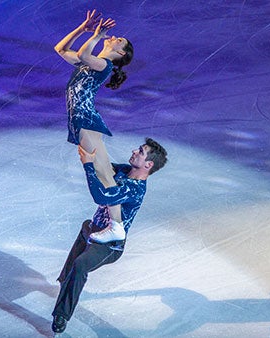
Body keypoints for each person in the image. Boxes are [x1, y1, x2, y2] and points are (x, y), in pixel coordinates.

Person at [51, 137, 168, 333]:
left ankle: (61, 315)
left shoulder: (135, 189)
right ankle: (66, 283)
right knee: (81, 240)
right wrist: (89, 147)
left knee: (80, 265)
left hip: (109, 245)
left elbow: (101, 196)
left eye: (140, 151)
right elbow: (103, 168)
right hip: (93, 229)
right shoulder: (124, 171)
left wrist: (88, 166)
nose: (134, 151)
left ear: (148, 165)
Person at [54, 9, 134, 240]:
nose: (113, 37)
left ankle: (116, 226)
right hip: (84, 120)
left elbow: (83, 53)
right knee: (104, 171)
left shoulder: (104, 65)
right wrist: (83, 28)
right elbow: (60, 49)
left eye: (118, 40)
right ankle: (115, 223)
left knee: (103, 172)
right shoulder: (89, 63)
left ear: (120, 52)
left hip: (86, 120)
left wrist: (97, 36)